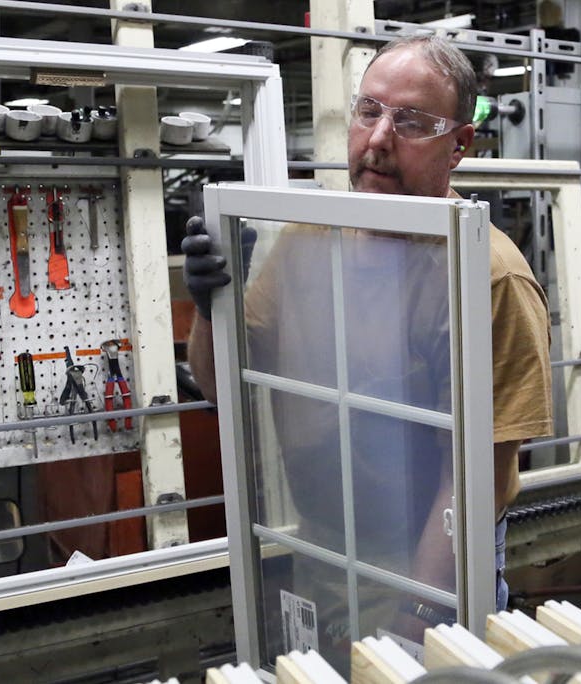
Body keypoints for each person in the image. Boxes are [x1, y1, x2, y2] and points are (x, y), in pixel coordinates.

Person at [182, 34, 553, 659]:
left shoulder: (485, 276)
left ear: (459, 145)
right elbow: (224, 387)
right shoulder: (307, 241)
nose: (379, 138)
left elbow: (476, 477)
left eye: (410, 121)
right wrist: (206, 309)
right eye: (369, 111)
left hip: (428, 560)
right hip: (320, 545)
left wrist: (420, 609)